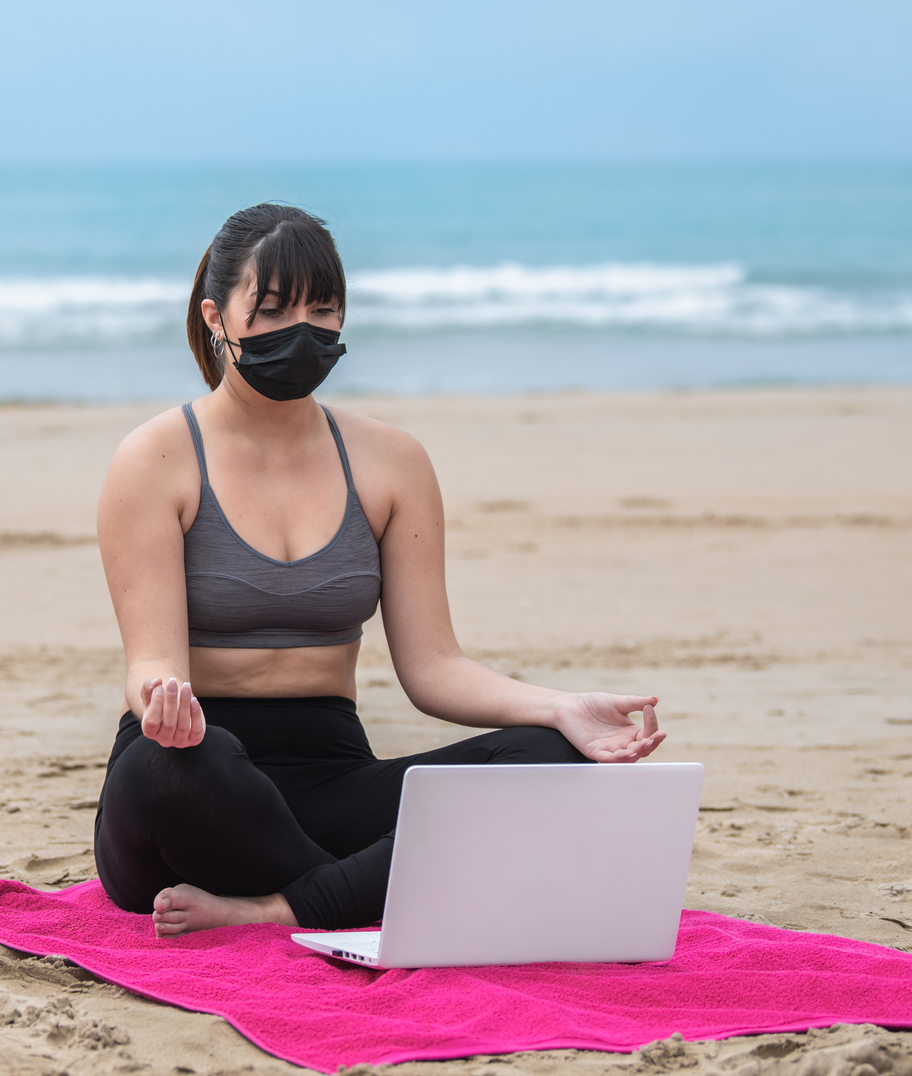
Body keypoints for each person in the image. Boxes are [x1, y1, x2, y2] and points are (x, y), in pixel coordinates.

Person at [93, 203, 665, 938]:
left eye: (322, 308)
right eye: (271, 310)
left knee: (545, 757)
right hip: (199, 781)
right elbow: (153, 665)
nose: (301, 329)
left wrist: (557, 705)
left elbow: (432, 667)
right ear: (215, 316)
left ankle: (283, 908)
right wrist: (162, 706)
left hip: (329, 776)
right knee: (163, 768)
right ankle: (368, 885)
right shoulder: (154, 459)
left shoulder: (389, 461)